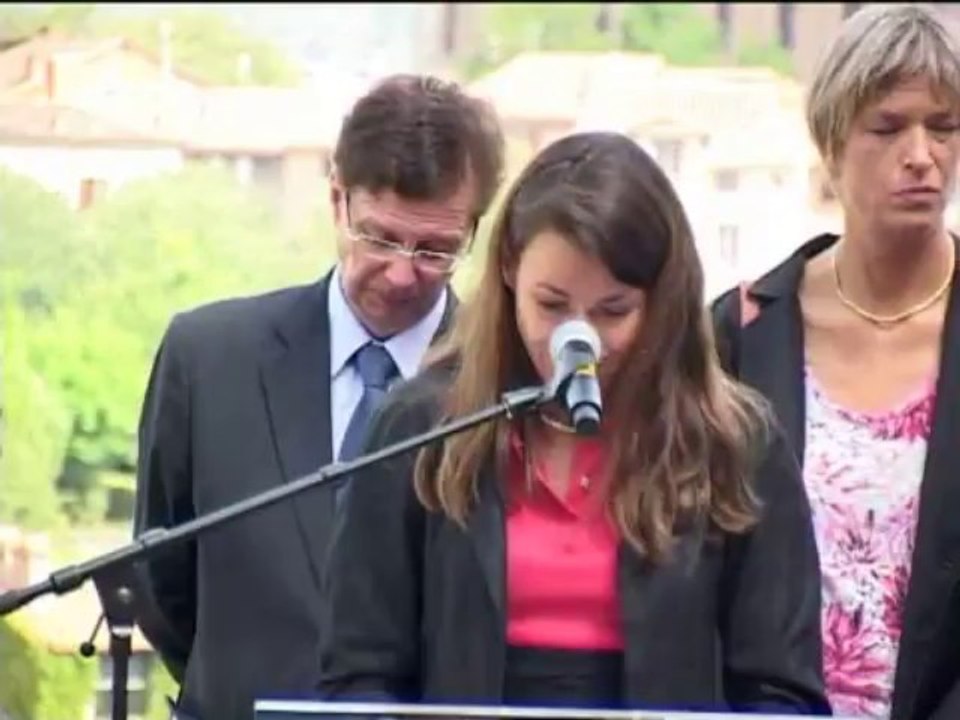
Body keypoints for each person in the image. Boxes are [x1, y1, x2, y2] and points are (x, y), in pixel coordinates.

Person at [318, 130, 830, 713]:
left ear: (660, 299)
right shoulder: (421, 427)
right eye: (552, 304)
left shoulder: (735, 444)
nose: (578, 340)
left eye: (613, 311)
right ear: (509, 268)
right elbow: (359, 674)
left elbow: (782, 691)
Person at [132, 74, 505, 720]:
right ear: (338, 199)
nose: (401, 272)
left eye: (436, 250)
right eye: (380, 237)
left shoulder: (505, 395)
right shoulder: (209, 358)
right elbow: (163, 580)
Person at [711, 5, 960, 719]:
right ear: (831, 142)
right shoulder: (740, 331)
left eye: (943, 128)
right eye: (887, 128)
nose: (922, 154)